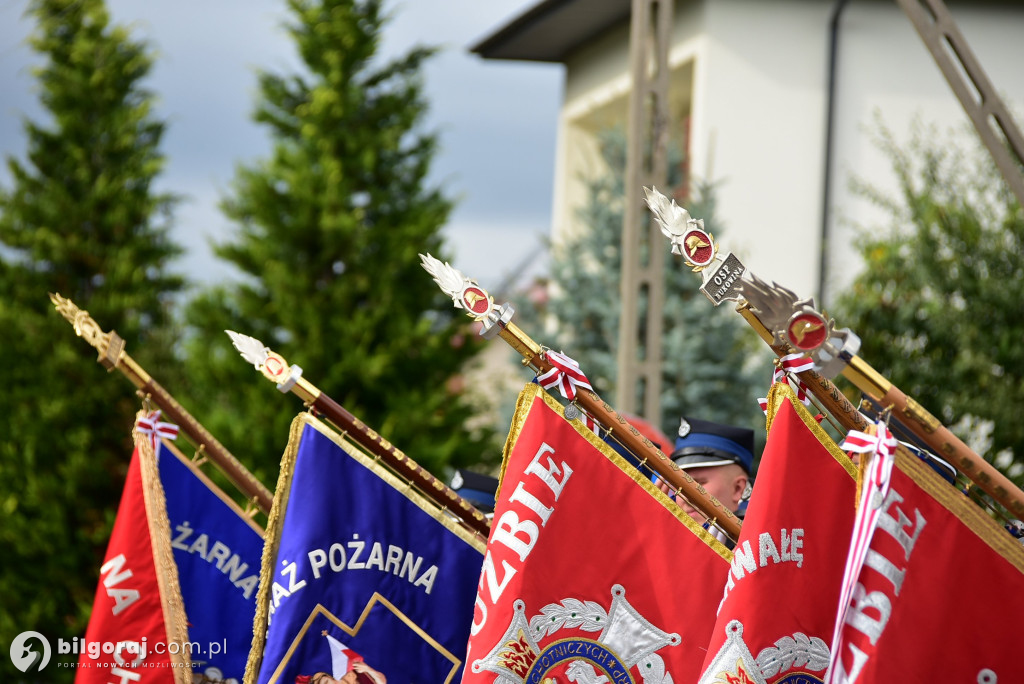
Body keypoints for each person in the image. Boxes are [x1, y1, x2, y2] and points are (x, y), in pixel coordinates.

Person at [657, 416, 755, 547]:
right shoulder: (666, 543)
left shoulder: (758, 550)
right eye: (678, 485)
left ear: (738, 489)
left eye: (699, 483)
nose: (684, 497)